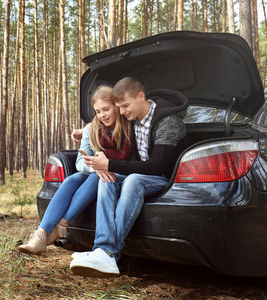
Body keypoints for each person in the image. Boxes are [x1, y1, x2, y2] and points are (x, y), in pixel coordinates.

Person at [69, 77, 189, 277]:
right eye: (119, 107)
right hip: (143, 174)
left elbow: (158, 165)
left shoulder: (168, 121)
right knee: (107, 178)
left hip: (166, 178)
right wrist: (85, 131)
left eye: (125, 106)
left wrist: (109, 163)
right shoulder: (135, 119)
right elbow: (107, 125)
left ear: (141, 96)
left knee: (131, 179)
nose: (122, 112)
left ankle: (109, 253)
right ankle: (101, 250)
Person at [18, 86, 134, 255]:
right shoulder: (91, 129)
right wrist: (95, 166)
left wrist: (104, 167)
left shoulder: (129, 126)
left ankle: (63, 224)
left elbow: (134, 160)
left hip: (121, 174)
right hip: (97, 173)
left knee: (98, 177)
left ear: (116, 106)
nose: (102, 115)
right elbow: (80, 162)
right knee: (72, 179)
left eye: (106, 109)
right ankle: (40, 236)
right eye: (98, 111)